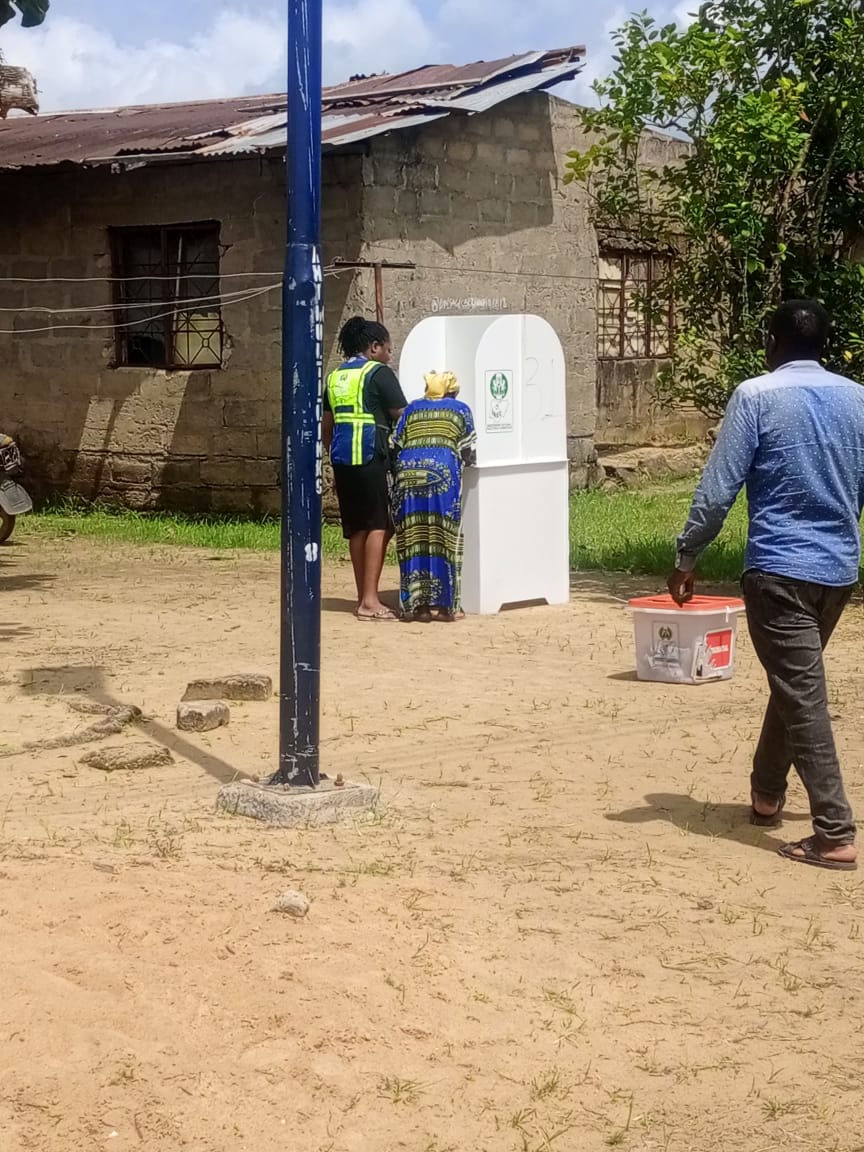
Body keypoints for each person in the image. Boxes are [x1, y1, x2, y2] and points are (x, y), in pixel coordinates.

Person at [667, 299, 864, 871]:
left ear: (772, 342)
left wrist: (686, 556)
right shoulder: (858, 399)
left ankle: (833, 832)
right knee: (794, 682)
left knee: (803, 695)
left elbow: (717, 489)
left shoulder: (756, 395)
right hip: (838, 572)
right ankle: (766, 792)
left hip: (779, 570)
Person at [323, 316, 407, 621]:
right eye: (387, 348)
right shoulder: (378, 373)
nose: (389, 354)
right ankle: (370, 601)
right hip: (371, 455)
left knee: (357, 527)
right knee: (380, 524)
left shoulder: (334, 377)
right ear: (374, 347)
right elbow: (401, 413)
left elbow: (327, 427)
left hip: (343, 458)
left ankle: (363, 596)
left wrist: (334, 459)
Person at [391, 370, 476, 622]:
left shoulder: (412, 409)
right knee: (444, 537)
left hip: (406, 477)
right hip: (441, 476)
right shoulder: (460, 409)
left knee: (413, 537)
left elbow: (395, 444)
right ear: (452, 392)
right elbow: (468, 452)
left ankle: (417, 607)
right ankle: (448, 607)